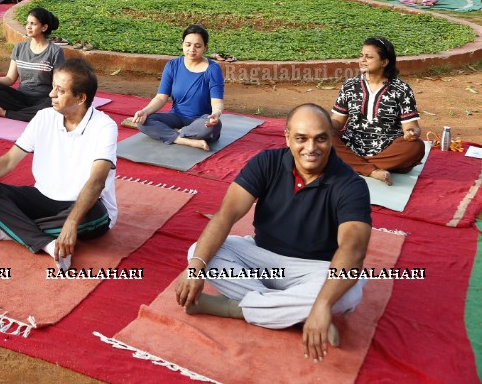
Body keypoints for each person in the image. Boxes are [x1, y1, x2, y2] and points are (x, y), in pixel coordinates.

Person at [174, 104, 371, 362]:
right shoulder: (266, 163)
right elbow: (226, 216)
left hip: (314, 270)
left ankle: (235, 308)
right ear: (287, 137)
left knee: (349, 292)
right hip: (261, 258)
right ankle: (294, 313)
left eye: (320, 138)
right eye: (301, 139)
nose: (311, 148)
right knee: (198, 254)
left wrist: (322, 304)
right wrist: (195, 269)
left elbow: (352, 249)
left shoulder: (351, 185)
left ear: (330, 138)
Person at [0, 59, 117, 271]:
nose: (51, 95)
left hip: (86, 207)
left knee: (93, 216)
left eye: (60, 91)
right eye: (53, 88)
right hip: (43, 200)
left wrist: (70, 223)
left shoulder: (104, 126)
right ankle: (49, 244)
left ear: (80, 98)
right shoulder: (43, 117)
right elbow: (9, 160)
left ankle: (13, 229)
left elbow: (97, 182)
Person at [331, 37, 425, 184]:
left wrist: (412, 133)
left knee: (416, 147)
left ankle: (351, 164)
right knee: (322, 137)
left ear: (384, 62)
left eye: (368, 57)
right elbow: (337, 121)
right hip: (352, 144)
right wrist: (324, 127)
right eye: (361, 55)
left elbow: (412, 126)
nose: (362, 60)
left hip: (387, 149)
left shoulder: (401, 89)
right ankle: (372, 170)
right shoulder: (350, 85)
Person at [131, 24, 224, 150]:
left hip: (200, 121)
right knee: (144, 122)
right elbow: (160, 98)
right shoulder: (172, 66)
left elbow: (217, 101)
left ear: (205, 48)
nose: (192, 49)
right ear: (182, 44)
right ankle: (187, 140)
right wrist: (145, 111)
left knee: (214, 126)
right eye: (188, 44)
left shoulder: (213, 69)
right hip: (176, 117)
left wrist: (216, 114)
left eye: (198, 46)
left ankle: (175, 133)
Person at [0, 7, 64, 122]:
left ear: (44, 27)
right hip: (21, 97)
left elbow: (57, 84)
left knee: (54, 106)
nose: (28, 26)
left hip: (43, 99)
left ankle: (9, 113)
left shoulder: (55, 51)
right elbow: (10, 79)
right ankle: (32, 114)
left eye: (33, 24)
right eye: (27, 23)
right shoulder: (20, 48)